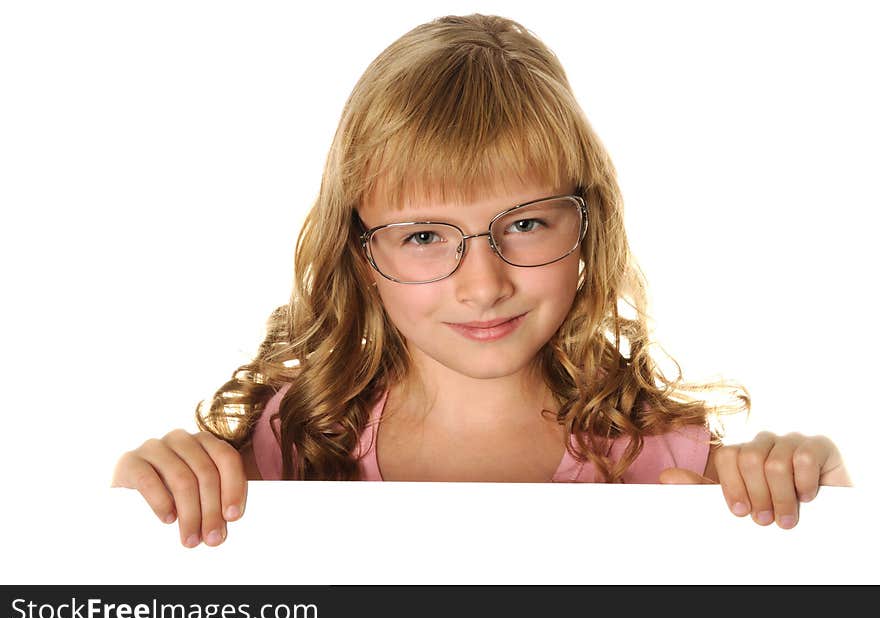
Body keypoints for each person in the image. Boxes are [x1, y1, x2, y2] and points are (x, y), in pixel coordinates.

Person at [111, 14, 851, 548]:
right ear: (360, 252)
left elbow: (828, 590)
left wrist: (816, 489)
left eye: (526, 224)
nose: (483, 283)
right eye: (426, 236)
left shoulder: (663, 456)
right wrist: (145, 488)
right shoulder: (292, 445)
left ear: (587, 223)